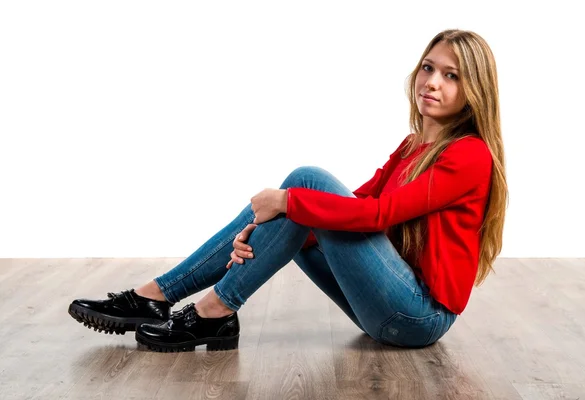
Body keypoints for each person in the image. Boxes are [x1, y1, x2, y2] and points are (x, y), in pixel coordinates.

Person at [68, 29, 507, 353]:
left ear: (474, 93)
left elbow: (378, 214)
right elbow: (358, 202)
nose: (432, 82)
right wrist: (265, 229)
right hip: (386, 310)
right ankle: (177, 302)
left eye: (451, 76)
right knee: (302, 206)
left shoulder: (470, 156)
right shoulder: (415, 145)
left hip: (417, 318)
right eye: (429, 68)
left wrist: (288, 202)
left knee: (305, 182)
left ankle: (190, 305)